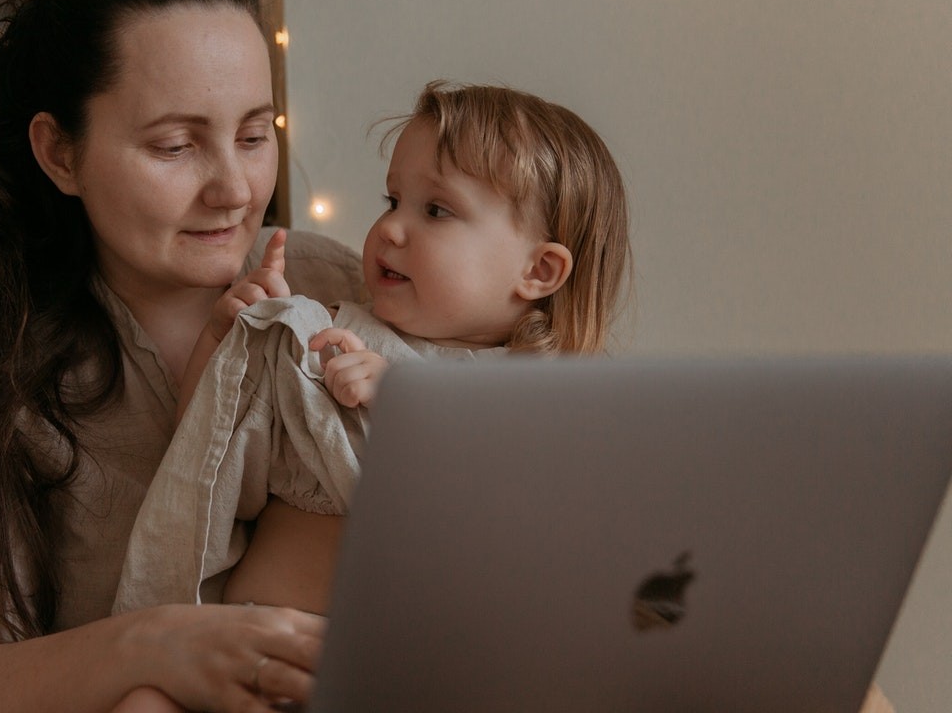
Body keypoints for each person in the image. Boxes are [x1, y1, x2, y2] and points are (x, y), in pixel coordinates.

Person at [0, 0, 366, 711]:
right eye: (175, 145)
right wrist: (159, 645)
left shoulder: (339, 283)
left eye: (255, 137)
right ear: (60, 154)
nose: (235, 190)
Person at [114, 80, 632, 621]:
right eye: (392, 200)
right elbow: (206, 452)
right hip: (244, 648)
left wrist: (411, 405)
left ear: (538, 270)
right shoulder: (324, 334)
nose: (389, 228)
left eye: (435, 210)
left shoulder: (544, 397)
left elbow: (531, 536)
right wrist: (225, 342)